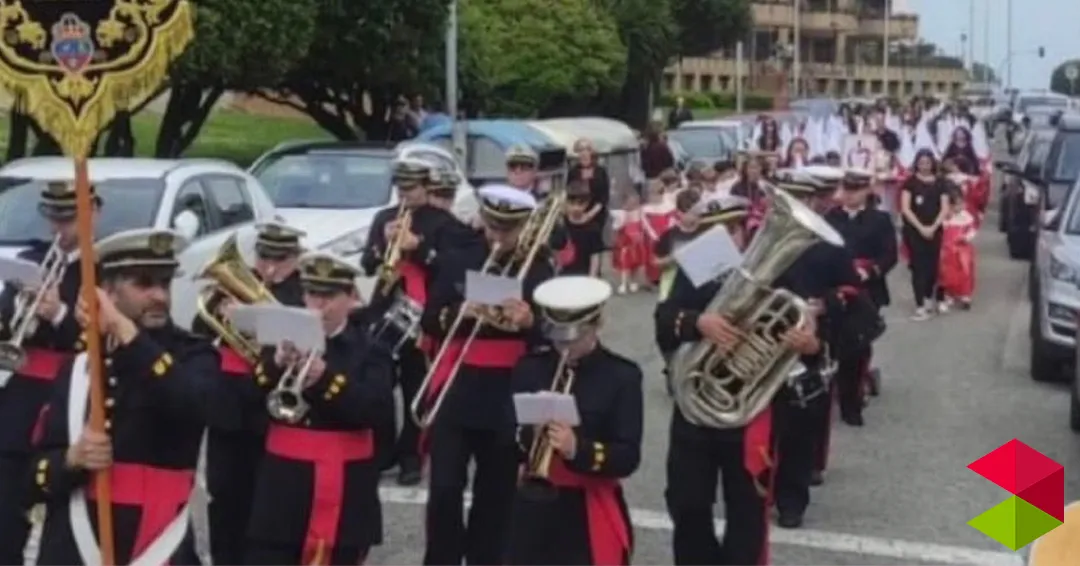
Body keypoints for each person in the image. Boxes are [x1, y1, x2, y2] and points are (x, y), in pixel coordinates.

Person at [31, 228, 218, 564]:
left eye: (165, 283)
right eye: (144, 283)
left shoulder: (195, 355)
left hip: (160, 540)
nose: (160, 295)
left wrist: (126, 333)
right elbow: (33, 474)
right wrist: (72, 460)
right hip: (77, 541)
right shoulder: (79, 366)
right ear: (107, 293)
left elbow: (195, 404)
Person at [655, 195, 823, 565]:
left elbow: (811, 339)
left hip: (750, 411)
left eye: (732, 230)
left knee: (747, 509)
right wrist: (698, 322)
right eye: (717, 230)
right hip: (696, 405)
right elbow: (663, 321)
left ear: (746, 230)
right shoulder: (694, 265)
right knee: (686, 501)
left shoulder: (784, 270)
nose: (727, 238)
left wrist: (809, 345)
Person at [418, 185, 556, 566]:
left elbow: (557, 333)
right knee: (444, 489)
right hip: (459, 382)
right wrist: (460, 312)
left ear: (524, 227)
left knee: (495, 497)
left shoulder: (539, 269)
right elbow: (431, 317)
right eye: (493, 227)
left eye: (507, 230)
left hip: (508, 390)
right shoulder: (459, 258)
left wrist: (531, 321)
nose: (497, 238)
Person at [246, 252, 394, 565]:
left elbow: (375, 411)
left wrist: (324, 378)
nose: (319, 305)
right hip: (282, 490)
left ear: (351, 297)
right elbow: (248, 401)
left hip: (345, 490)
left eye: (330, 296)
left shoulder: (371, 349)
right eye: (313, 294)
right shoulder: (279, 343)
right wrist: (274, 366)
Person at [190, 220, 308, 566]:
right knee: (224, 496)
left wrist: (254, 319)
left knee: (266, 501)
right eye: (264, 257)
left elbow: (303, 337)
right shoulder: (234, 286)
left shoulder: (302, 292)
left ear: (296, 257)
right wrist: (221, 313)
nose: (269, 267)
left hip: (271, 408)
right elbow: (200, 331)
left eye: (280, 259)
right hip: (229, 405)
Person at [506, 276, 642, 565]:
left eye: (574, 337)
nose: (564, 346)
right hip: (532, 506)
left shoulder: (621, 377)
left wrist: (576, 448)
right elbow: (509, 433)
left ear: (597, 323)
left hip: (586, 503)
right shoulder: (529, 369)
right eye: (557, 337)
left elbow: (628, 456)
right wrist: (526, 439)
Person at [360, 157, 481, 485]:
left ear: (426, 187)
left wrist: (420, 247)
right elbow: (368, 264)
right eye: (400, 189)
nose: (404, 196)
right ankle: (382, 449)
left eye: (411, 189)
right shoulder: (384, 218)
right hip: (386, 307)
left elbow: (457, 268)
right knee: (379, 386)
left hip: (424, 310)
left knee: (418, 384)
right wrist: (382, 244)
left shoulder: (443, 223)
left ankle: (411, 454)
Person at [0, 181, 98, 563]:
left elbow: (104, 340)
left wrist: (58, 314)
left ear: (93, 213)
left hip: (69, 395)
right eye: (54, 218)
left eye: (69, 218)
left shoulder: (102, 268)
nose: (59, 229)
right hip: (19, 397)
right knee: (6, 505)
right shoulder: (31, 259)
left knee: (63, 503)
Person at [770, 170, 859, 528]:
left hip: (808, 343)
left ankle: (792, 500)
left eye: (800, 200)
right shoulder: (762, 241)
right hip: (766, 339)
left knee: (799, 428)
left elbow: (852, 292)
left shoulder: (830, 245)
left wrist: (824, 305)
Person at [825, 170, 897, 426]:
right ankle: (831, 391)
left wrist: (869, 271)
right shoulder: (831, 218)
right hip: (835, 288)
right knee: (831, 344)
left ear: (867, 191)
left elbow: (889, 255)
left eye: (856, 190)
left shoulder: (879, 220)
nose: (850, 195)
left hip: (867, 291)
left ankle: (851, 405)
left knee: (857, 347)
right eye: (847, 189)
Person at [900, 150, 949, 320]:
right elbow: (906, 208)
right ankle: (919, 303)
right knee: (918, 267)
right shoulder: (910, 183)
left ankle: (929, 296)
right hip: (914, 231)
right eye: (921, 163)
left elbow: (944, 208)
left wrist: (934, 226)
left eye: (927, 163)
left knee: (932, 267)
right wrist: (921, 227)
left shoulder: (940, 183)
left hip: (935, 230)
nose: (924, 166)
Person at [567, 138, 612, 271]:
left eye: (587, 149)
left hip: (596, 213)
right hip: (577, 213)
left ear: (591, 152)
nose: (584, 153)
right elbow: (568, 193)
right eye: (581, 149)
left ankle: (594, 274)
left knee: (594, 246)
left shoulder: (600, 171)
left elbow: (604, 196)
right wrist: (573, 212)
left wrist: (590, 214)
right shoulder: (573, 171)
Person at [937, 190, 977, 310]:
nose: (960, 207)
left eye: (961, 204)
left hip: (963, 249)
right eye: (956, 204)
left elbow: (972, 230)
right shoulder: (946, 217)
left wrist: (966, 238)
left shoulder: (966, 217)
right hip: (948, 251)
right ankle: (949, 294)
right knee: (947, 273)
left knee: (965, 272)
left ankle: (965, 295)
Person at [562, 181, 604, 276]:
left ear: (587, 203)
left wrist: (592, 278)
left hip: (585, 274)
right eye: (572, 203)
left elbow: (595, 256)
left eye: (580, 204)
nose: (576, 208)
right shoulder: (561, 223)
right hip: (564, 275)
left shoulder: (593, 228)